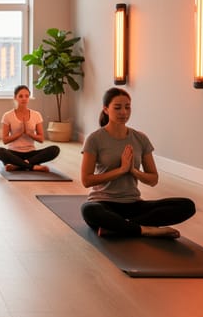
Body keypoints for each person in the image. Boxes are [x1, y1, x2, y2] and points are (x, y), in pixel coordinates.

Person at [80, 87, 196, 238]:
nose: (124, 112)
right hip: (103, 203)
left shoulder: (140, 138)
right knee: (89, 210)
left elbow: (153, 179)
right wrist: (120, 170)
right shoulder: (94, 139)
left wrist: (133, 171)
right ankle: (146, 229)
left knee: (186, 205)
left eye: (127, 107)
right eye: (117, 107)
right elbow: (86, 180)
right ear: (106, 109)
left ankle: (118, 227)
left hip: (133, 204)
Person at [0, 85, 61, 171]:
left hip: (31, 154)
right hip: (13, 153)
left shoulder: (36, 115)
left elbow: (41, 139)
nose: (24, 98)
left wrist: (29, 133)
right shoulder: (7, 116)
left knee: (55, 149)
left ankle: (18, 165)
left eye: (26, 96)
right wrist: (20, 133)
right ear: (15, 97)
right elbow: (5, 140)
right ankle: (32, 166)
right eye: (21, 96)